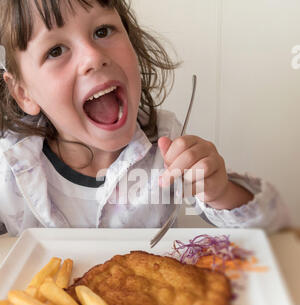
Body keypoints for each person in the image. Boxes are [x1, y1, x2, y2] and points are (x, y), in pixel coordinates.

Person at [0, 0, 290, 237]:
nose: (92, 57)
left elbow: (273, 229)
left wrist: (220, 191)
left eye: (102, 31)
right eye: (55, 50)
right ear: (24, 93)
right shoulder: (9, 169)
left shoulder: (167, 145)